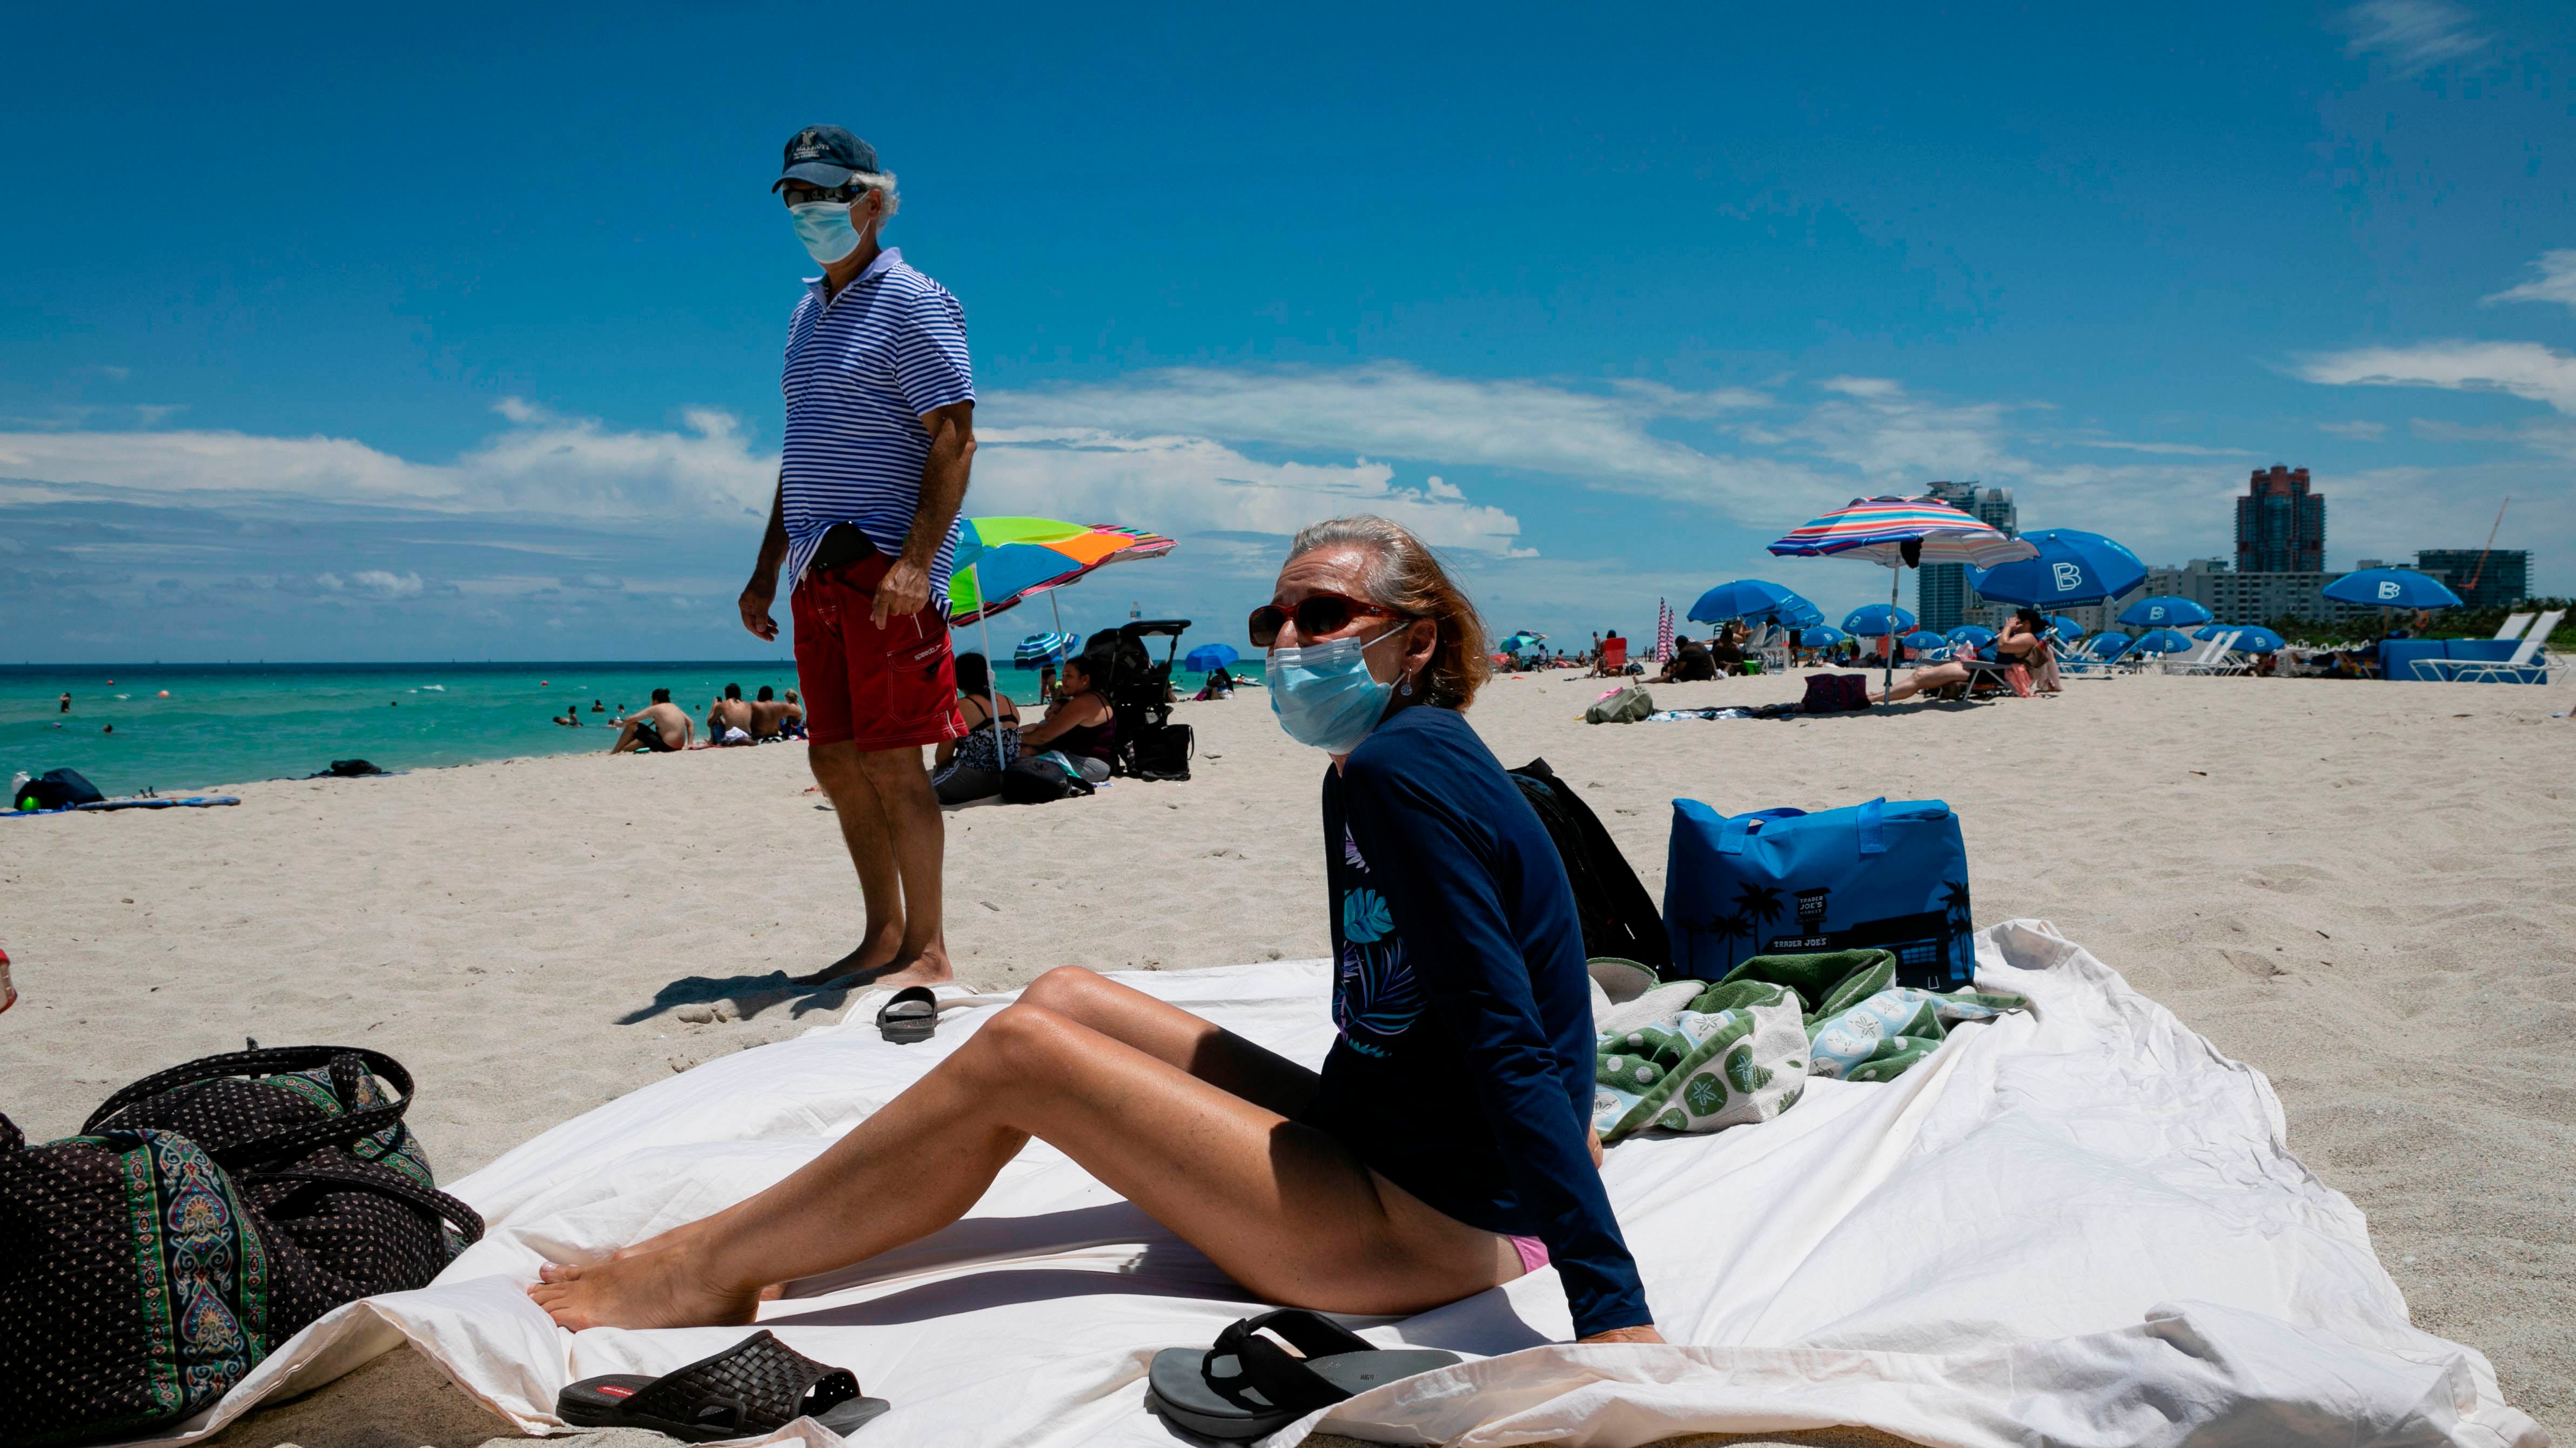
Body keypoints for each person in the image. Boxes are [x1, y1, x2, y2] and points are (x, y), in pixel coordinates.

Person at [527, 513, 1661, 1350]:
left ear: (1415, 642)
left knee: (1023, 1054)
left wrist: (1609, 1306)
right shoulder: (1378, 760)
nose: (1286, 639)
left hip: (1427, 1219)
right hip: (1390, 1141)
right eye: (1275, 617)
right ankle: (725, 1245)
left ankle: (704, 1265)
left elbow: (1501, 1022)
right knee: (1064, 994)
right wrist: (1576, 1113)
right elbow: (1515, 979)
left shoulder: (1400, 773)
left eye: (1326, 615)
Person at [733, 125, 977, 991]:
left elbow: (954, 434)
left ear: (873, 198)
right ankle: (881, 938)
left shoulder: (913, 299)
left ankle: (931, 949)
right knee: (832, 757)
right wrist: (768, 568)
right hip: (814, 570)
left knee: (891, 760)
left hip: (883, 569)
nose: (809, 209)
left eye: (826, 193)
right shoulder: (806, 312)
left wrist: (918, 562)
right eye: (795, 195)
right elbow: (802, 453)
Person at [1016, 651, 1116, 783]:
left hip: (1088, 764)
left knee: (1022, 764)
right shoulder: (1096, 698)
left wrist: (1011, 740)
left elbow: (1043, 737)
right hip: (1095, 762)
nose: (1063, 680)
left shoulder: (1083, 703)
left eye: (1069, 676)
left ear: (1085, 680)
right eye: (1063, 675)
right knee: (1026, 752)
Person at [931, 652, 1019, 804]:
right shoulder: (1009, 703)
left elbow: (942, 758)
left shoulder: (961, 707)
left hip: (975, 780)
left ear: (957, 679)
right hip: (1008, 778)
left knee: (922, 784)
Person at [609, 689, 692, 752]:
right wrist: (690, 744)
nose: (651, 702)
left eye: (652, 700)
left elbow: (631, 720)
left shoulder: (656, 708)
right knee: (642, 739)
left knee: (632, 725)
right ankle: (623, 751)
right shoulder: (675, 707)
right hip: (678, 747)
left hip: (666, 747)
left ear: (655, 700)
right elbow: (690, 724)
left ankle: (614, 752)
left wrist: (622, 724)